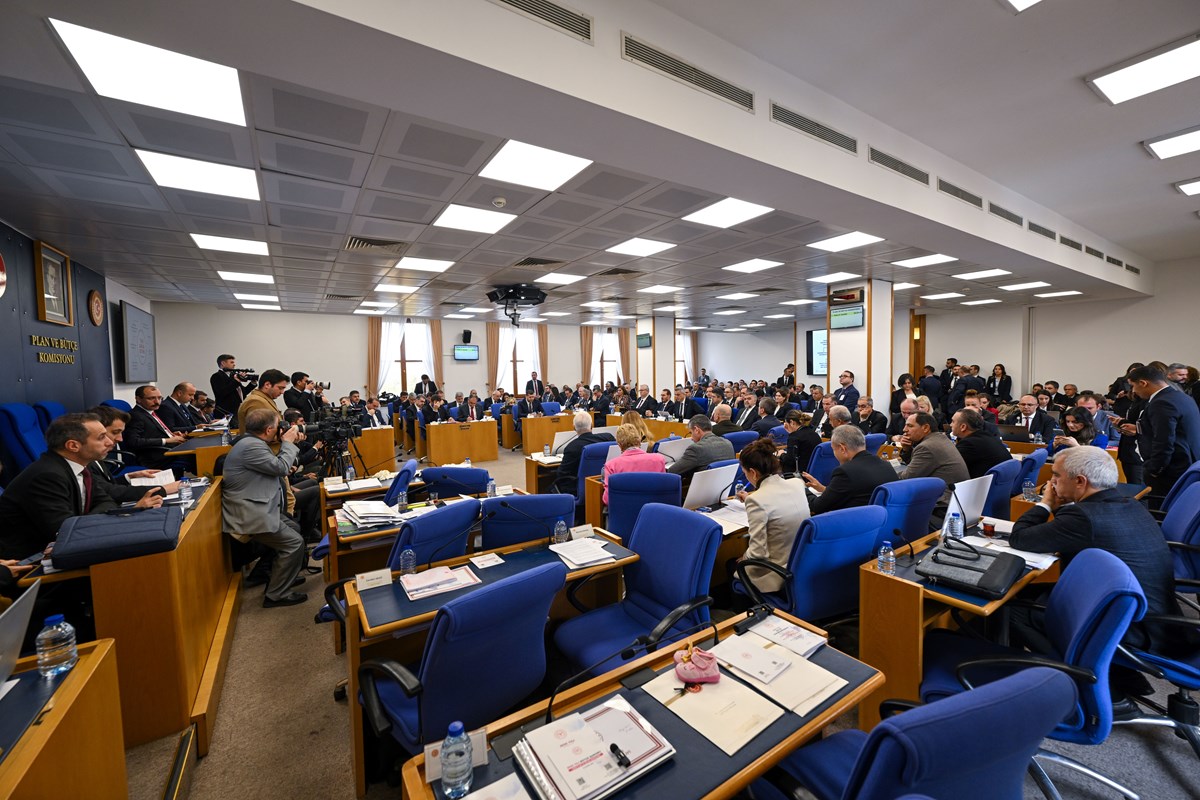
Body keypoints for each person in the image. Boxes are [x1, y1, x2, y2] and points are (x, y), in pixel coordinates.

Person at [1007, 447, 1187, 698]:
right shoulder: (1129, 504)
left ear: (1080, 482)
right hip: (1160, 621)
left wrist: (1046, 503)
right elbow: (1068, 532)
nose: (1050, 483)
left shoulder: (1082, 516)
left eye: (1056, 476)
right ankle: (1122, 677)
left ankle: (1084, 675)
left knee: (1011, 609)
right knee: (1033, 591)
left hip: (1131, 627)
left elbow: (1020, 538)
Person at [0, 413, 161, 559]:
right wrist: (127, 513)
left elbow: (106, 502)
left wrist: (87, 520)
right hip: (29, 565)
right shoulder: (47, 476)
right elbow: (67, 531)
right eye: (101, 437)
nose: (110, 442)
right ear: (73, 446)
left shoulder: (79, 466)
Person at [221, 409, 307, 608]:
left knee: (294, 529)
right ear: (269, 429)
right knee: (294, 543)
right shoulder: (251, 447)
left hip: (263, 505)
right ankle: (276, 594)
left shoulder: (251, 442)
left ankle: (282, 576)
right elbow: (281, 468)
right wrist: (287, 443)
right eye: (278, 426)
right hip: (250, 513)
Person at [733, 438, 808, 596]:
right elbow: (776, 500)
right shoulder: (796, 483)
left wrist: (745, 557)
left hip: (776, 572)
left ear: (753, 473)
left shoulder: (757, 500)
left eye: (745, 472)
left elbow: (758, 553)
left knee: (733, 566)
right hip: (801, 563)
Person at [1129, 364, 1200, 497]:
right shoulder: (1182, 397)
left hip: (1170, 470)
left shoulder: (1161, 402)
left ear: (1143, 383)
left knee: (1160, 511)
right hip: (1188, 464)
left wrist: (1154, 469)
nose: (1133, 391)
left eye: (1133, 386)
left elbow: (1164, 440)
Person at [88, 405, 180, 502]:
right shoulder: (87, 461)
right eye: (115, 432)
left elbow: (104, 485)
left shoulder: (96, 456)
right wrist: (163, 489)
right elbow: (110, 492)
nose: (120, 439)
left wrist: (128, 477)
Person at [802, 424, 898, 514]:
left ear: (842, 449)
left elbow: (817, 507)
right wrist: (824, 489)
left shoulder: (845, 472)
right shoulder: (886, 466)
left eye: (833, 450)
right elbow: (857, 494)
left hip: (852, 525)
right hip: (878, 524)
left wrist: (802, 489)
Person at [897, 411, 969, 516]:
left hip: (943, 506)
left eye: (910, 426)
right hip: (958, 500)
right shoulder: (941, 438)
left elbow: (906, 479)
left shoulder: (926, 447)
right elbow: (921, 468)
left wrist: (887, 473)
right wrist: (907, 450)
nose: (904, 430)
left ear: (926, 428)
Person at [601, 423, 666, 504]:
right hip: (653, 511)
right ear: (639, 440)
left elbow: (607, 499)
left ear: (619, 445)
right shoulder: (659, 459)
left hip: (625, 512)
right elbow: (664, 490)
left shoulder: (612, 465)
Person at [125, 384, 187, 467]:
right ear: (138, 399)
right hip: (154, 457)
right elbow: (133, 442)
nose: (157, 402)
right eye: (151, 398)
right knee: (195, 456)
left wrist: (171, 435)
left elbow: (152, 432)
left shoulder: (151, 412)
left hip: (167, 450)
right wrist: (167, 440)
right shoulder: (136, 416)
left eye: (159, 398)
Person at [554, 411, 615, 494]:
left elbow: (561, 475)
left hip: (581, 490)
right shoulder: (608, 438)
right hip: (605, 486)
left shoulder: (572, 447)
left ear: (574, 428)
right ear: (592, 425)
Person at [666, 414, 735, 479]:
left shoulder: (696, 449)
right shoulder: (728, 443)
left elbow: (672, 471)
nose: (691, 438)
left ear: (696, 430)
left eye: (691, 433)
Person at [952, 409, 1011, 479]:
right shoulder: (987, 436)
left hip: (984, 486)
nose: (950, 425)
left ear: (963, 427)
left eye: (953, 421)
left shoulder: (969, 444)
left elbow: (951, 467)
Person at [209, 353, 255, 419]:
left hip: (238, 410)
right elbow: (222, 393)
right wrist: (237, 381)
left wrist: (252, 384)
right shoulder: (216, 376)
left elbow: (242, 393)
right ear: (223, 363)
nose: (234, 364)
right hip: (226, 412)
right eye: (231, 362)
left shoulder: (233, 376)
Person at [779, 410, 820, 475]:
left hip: (799, 474)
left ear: (792, 422)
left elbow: (790, 461)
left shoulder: (794, 437)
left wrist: (781, 454)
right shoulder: (814, 433)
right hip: (813, 472)